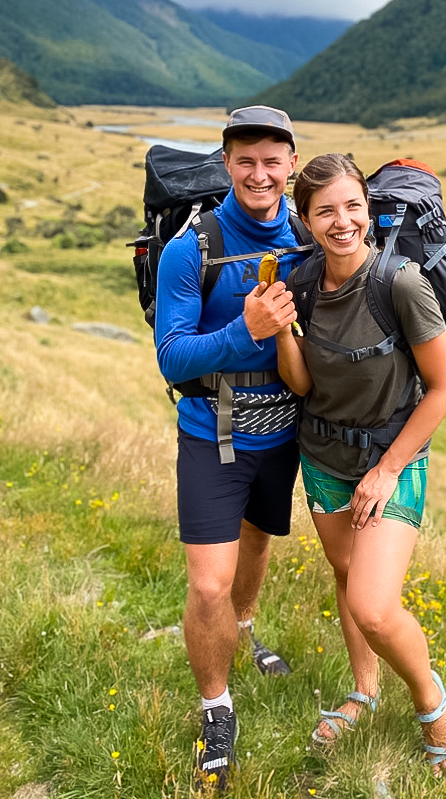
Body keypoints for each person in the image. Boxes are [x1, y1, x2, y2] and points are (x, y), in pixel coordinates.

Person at [275, 153, 446, 780]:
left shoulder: (402, 285)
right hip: (323, 457)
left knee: (376, 607)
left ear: (369, 209)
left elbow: (443, 388)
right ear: (304, 220)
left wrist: (386, 470)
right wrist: (281, 330)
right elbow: (302, 383)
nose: (342, 221)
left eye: (353, 206)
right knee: (345, 574)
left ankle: (430, 702)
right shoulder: (302, 283)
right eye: (325, 210)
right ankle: (364, 690)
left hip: (392, 460)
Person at [154, 105, 306, 791]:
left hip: (282, 436)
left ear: (292, 165)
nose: (259, 173)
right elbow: (172, 356)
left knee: (257, 541)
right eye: (245, 160)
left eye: (272, 160)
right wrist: (246, 328)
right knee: (207, 582)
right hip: (210, 433)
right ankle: (217, 704)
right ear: (225, 163)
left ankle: (244, 626)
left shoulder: (309, 239)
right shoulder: (193, 249)